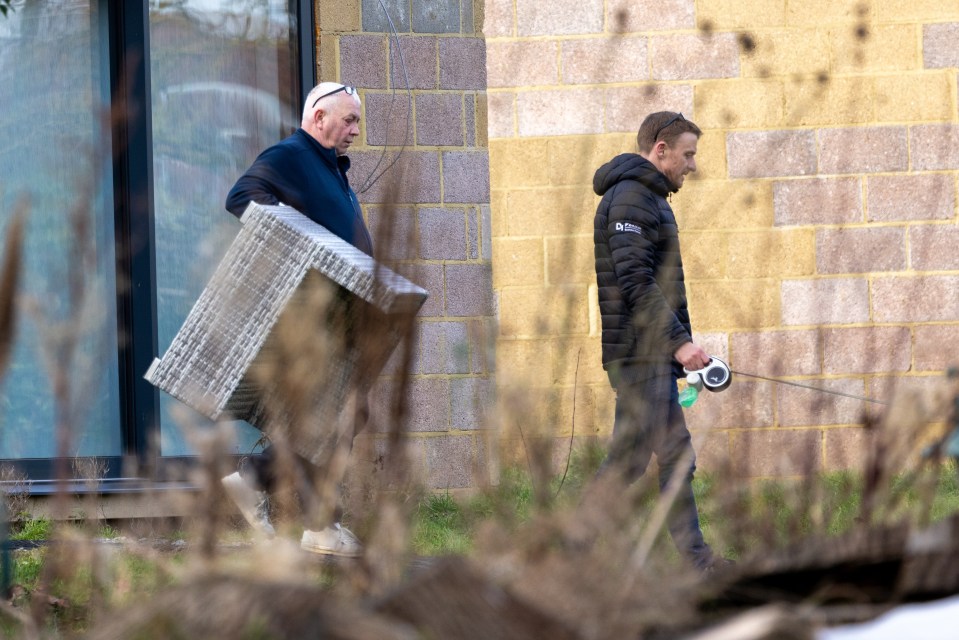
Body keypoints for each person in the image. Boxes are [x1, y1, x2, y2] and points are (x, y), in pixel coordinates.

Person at [221, 82, 372, 557]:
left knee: (336, 417)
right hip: (308, 315)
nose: (354, 129)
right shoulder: (290, 154)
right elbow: (242, 196)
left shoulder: (330, 168)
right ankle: (320, 526)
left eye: (357, 122)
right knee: (329, 417)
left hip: (337, 315)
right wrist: (303, 249)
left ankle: (252, 482)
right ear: (318, 116)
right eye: (347, 119)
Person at [592, 111, 721, 572]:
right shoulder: (631, 199)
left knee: (627, 463)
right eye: (687, 154)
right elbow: (636, 281)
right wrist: (678, 344)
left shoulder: (650, 198)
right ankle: (697, 563)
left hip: (647, 354)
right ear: (660, 149)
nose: (692, 165)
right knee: (674, 453)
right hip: (642, 354)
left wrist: (678, 349)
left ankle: (567, 552)